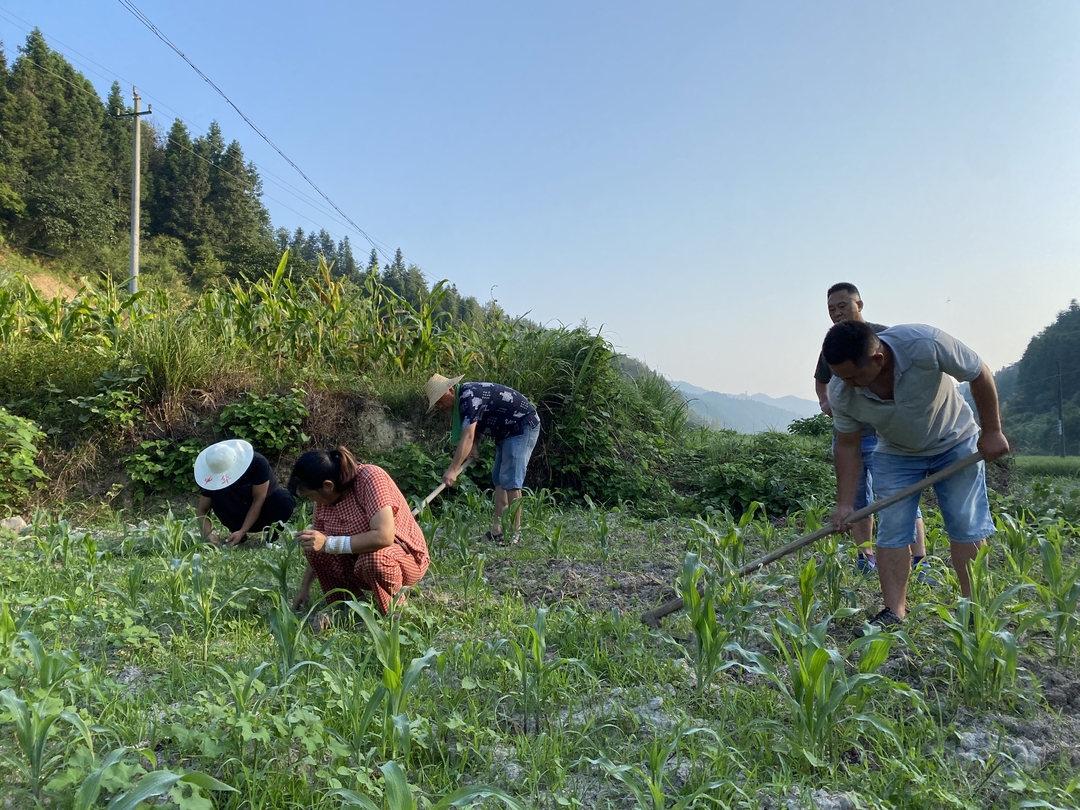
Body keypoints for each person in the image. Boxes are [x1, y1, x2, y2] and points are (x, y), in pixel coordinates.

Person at [823, 321, 1010, 628]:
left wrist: (992, 431)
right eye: (842, 377)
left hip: (955, 441)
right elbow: (847, 445)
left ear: (877, 360)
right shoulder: (841, 389)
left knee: (965, 523)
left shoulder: (925, 344)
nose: (848, 383)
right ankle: (893, 612)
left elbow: (979, 373)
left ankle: (977, 610)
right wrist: (846, 505)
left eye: (854, 376)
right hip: (896, 452)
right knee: (893, 529)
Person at [813, 282, 932, 582]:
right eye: (831, 309)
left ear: (859, 305)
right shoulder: (833, 345)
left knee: (899, 494)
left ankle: (919, 559)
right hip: (850, 432)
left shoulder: (883, 337)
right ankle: (866, 558)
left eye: (842, 306)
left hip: (885, 433)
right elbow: (821, 379)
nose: (837, 313)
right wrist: (826, 401)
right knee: (857, 499)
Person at [289, 447, 429, 622]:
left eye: (311, 495)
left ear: (327, 486)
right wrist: (305, 588)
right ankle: (349, 607)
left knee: (374, 558)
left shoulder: (370, 478)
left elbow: (384, 537)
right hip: (357, 564)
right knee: (312, 545)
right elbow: (318, 545)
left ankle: (397, 611)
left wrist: (329, 544)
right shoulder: (326, 499)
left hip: (405, 559)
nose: (312, 501)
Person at [425, 373, 540, 545]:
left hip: (521, 425)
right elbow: (475, 427)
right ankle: (498, 531)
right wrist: (474, 447)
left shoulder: (468, 396)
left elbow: (467, 437)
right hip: (506, 432)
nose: (440, 406)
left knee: (511, 479)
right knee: (499, 478)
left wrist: (452, 470)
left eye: (440, 401)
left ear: (450, 390)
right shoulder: (465, 398)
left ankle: (515, 532)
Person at [194, 439, 295, 546]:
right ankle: (236, 534)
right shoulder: (213, 476)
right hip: (237, 514)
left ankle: (272, 537)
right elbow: (202, 509)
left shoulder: (257, 463)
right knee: (218, 495)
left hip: (264, 513)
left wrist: (243, 530)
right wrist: (208, 534)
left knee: (284, 498)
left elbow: (258, 500)